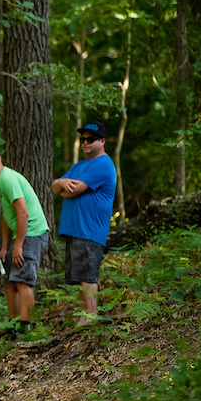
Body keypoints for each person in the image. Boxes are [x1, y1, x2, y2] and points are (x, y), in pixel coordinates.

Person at [0, 143, 50, 339]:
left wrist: (18, 245)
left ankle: (28, 328)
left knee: (24, 281)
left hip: (31, 232)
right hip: (19, 236)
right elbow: (6, 216)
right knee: (9, 282)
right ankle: (14, 326)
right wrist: (4, 247)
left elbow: (23, 213)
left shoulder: (7, 178)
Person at [52, 121, 116, 328]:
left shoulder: (103, 164)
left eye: (91, 139)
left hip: (90, 229)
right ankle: (84, 317)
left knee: (88, 275)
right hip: (75, 229)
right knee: (80, 276)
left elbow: (73, 190)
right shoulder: (79, 165)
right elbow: (56, 187)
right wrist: (61, 183)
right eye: (83, 139)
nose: (86, 143)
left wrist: (63, 185)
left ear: (102, 141)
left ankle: (90, 317)